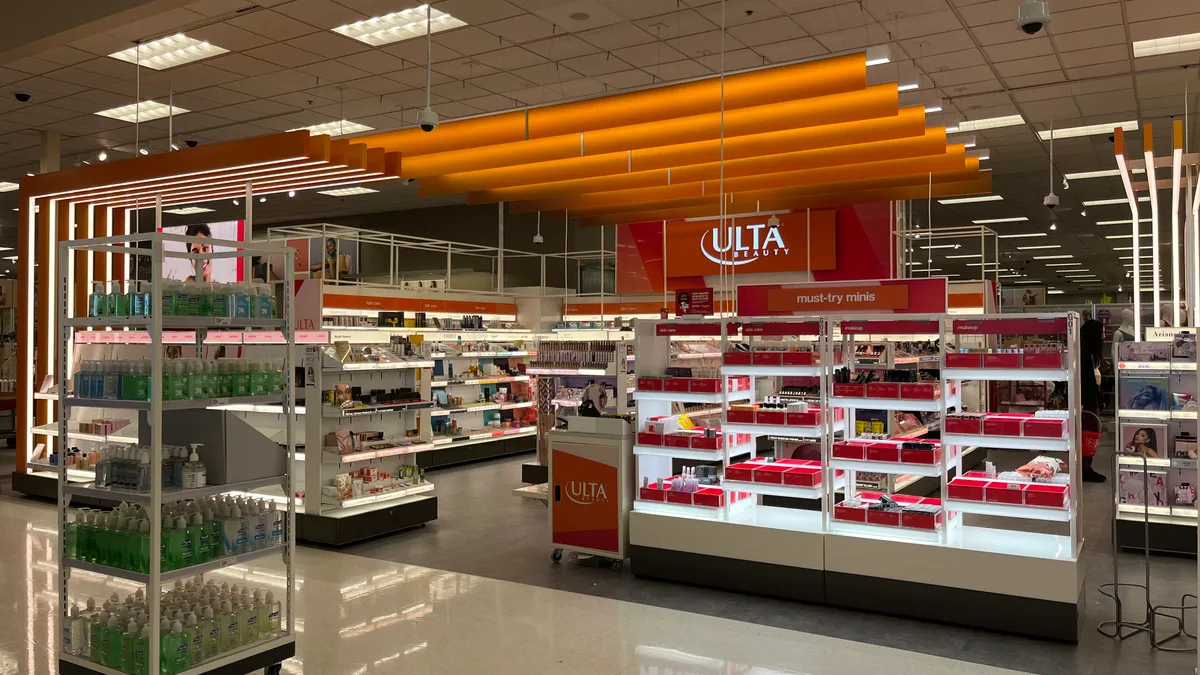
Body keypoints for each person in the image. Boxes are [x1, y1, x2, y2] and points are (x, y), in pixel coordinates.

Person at [1080, 319, 1106, 482]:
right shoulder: (1084, 356)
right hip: (1087, 402)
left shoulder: (1086, 354)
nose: (1104, 336)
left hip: (1088, 400)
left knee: (1089, 434)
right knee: (1089, 434)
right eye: (1101, 332)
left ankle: (1086, 466)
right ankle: (1085, 468)